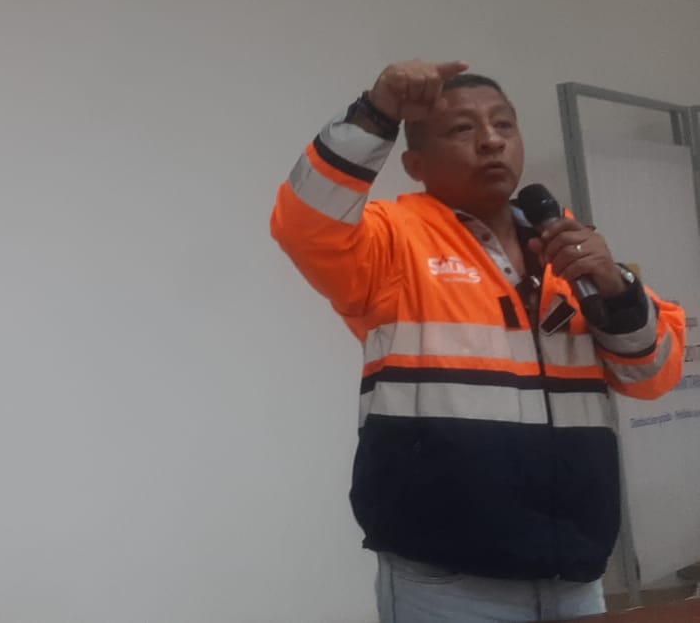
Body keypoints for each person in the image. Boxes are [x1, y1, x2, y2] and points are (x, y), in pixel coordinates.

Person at [271, 60, 688, 623]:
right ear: (415, 165)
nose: (491, 140)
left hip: (574, 572)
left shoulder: (568, 248)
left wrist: (616, 288)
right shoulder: (395, 240)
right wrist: (376, 113)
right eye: (462, 129)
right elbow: (304, 223)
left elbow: (653, 375)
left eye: (504, 125)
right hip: (447, 581)